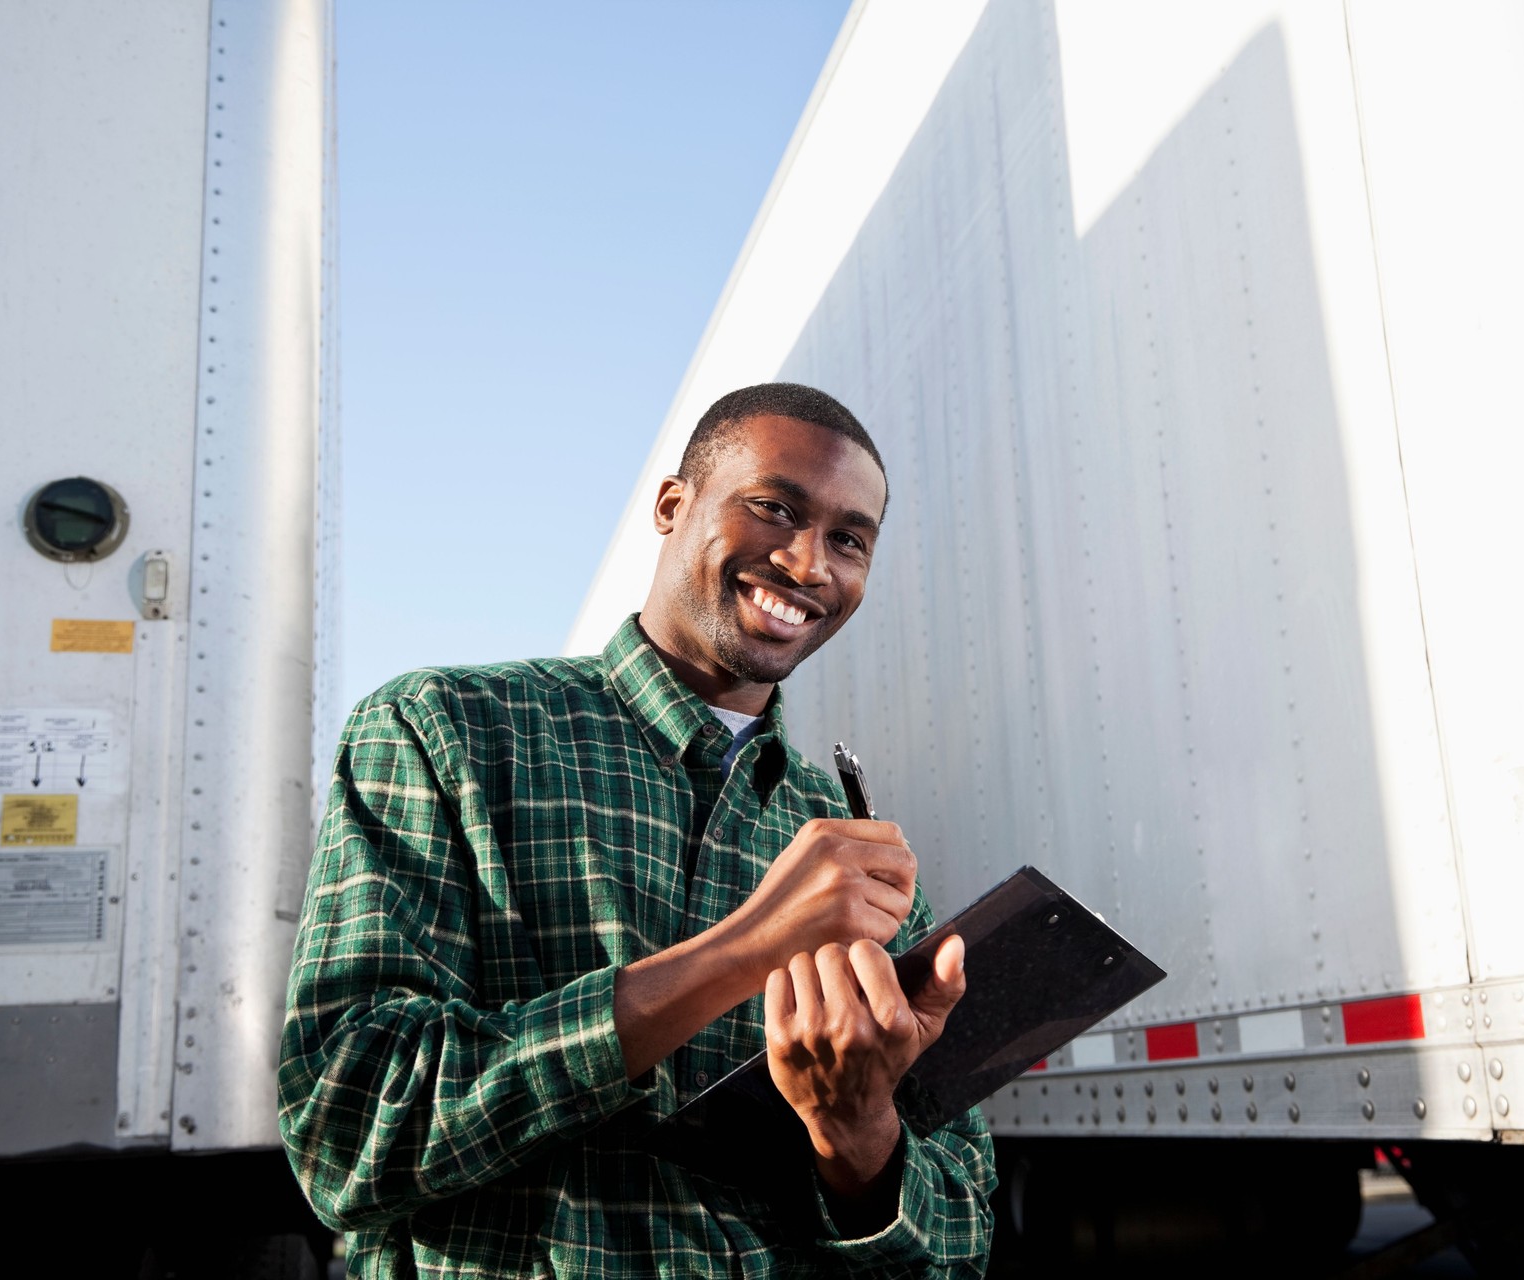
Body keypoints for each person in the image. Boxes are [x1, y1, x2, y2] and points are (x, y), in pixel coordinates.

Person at [278, 383, 995, 1278]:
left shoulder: (851, 842)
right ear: (672, 505)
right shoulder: (446, 732)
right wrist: (743, 950)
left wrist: (857, 1134)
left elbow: (959, 1238)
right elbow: (345, 1133)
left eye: (849, 539)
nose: (811, 563)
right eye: (775, 508)